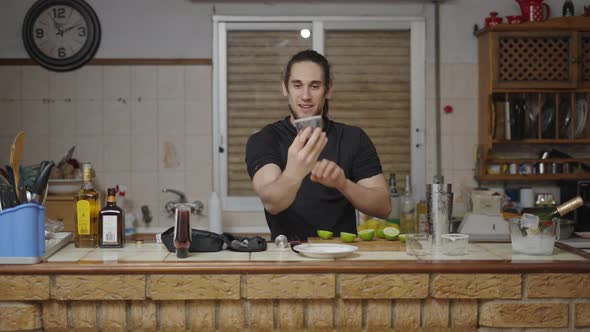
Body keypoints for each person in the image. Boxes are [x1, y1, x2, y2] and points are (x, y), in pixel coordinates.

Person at [245, 50, 391, 241]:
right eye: (297, 85)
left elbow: (383, 207)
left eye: (314, 86)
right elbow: (272, 202)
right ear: (285, 88)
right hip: (288, 257)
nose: (305, 95)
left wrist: (343, 184)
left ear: (328, 89)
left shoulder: (354, 138)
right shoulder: (265, 139)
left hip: (342, 257)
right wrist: (295, 172)